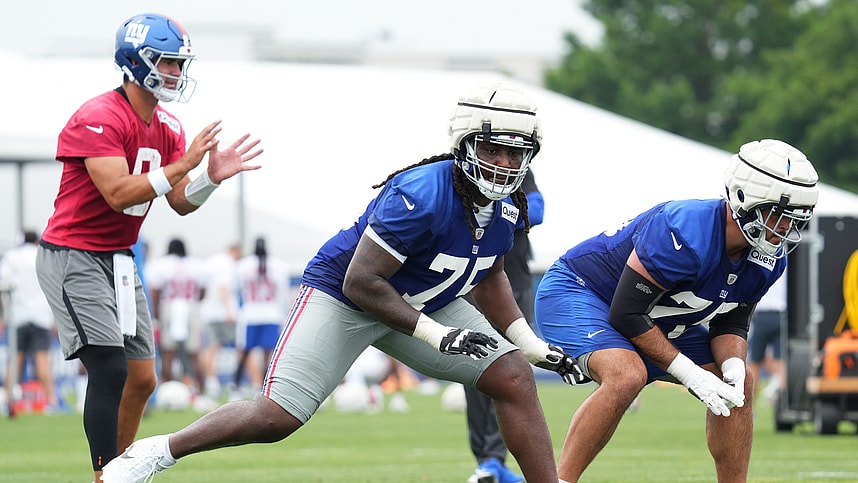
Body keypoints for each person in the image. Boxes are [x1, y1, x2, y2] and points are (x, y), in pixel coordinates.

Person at [101, 81, 584, 483]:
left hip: (424, 301)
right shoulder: (420, 192)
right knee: (276, 418)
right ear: (464, 145)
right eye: (492, 150)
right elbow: (363, 281)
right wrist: (440, 335)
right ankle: (158, 451)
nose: (502, 164)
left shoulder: (508, 204)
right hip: (347, 297)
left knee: (515, 375)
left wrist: (530, 344)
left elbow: (491, 273)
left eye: (514, 154)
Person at [34, 13, 262, 483]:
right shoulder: (97, 116)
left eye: (180, 64)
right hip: (74, 254)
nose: (177, 73)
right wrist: (184, 164)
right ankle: (105, 474)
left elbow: (178, 202)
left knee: (142, 378)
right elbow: (118, 193)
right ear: (135, 61)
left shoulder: (167, 125)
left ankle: (124, 469)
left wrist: (209, 179)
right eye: (168, 62)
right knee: (109, 365)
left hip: (119, 258)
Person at [533, 139, 819, 483]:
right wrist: (690, 374)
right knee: (627, 374)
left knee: (740, 383)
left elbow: (732, 321)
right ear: (745, 198)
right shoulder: (685, 229)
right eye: (777, 213)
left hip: (651, 317)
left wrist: (731, 366)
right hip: (581, 292)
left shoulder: (769, 258)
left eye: (793, 218)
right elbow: (626, 313)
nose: (784, 228)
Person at [464, 169, 543, 483]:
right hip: (470, 285)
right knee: (471, 372)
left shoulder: (518, 171)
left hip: (515, 285)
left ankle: (494, 460)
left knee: (510, 371)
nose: (502, 160)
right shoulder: (463, 172)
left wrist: (493, 205)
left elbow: (536, 210)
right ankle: (486, 461)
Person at [0, 230, 59, 414]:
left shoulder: (12, 257)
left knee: (15, 359)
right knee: (42, 359)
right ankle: (51, 401)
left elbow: (3, 285)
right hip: (40, 314)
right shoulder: (42, 256)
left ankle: (8, 401)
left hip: (18, 315)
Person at [145, 238, 207, 392]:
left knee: (168, 352)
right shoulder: (196, 265)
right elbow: (203, 290)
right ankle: (201, 389)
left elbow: (155, 291)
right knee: (194, 353)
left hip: (170, 306)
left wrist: (157, 313)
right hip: (190, 305)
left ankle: (167, 388)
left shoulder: (161, 265)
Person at [232, 237, 291, 394]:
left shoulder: (243, 265)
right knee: (268, 354)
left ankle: (236, 386)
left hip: (250, 314)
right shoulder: (278, 265)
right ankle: (266, 388)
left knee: (245, 352)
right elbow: (282, 294)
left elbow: (236, 289)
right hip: (271, 313)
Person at [198, 242, 242, 399]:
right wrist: (229, 310)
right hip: (223, 313)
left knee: (210, 348)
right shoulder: (227, 264)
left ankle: (212, 383)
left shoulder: (211, 262)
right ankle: (240, 385)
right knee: (240, 348)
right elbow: (223, 286)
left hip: (209, 312)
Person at [748, 270, 787, 403]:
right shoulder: (786, 263)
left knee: (754, 364)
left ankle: (750, 408)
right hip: (780, 315)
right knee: (781, 362)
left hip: (761, 316)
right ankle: (781, 405)